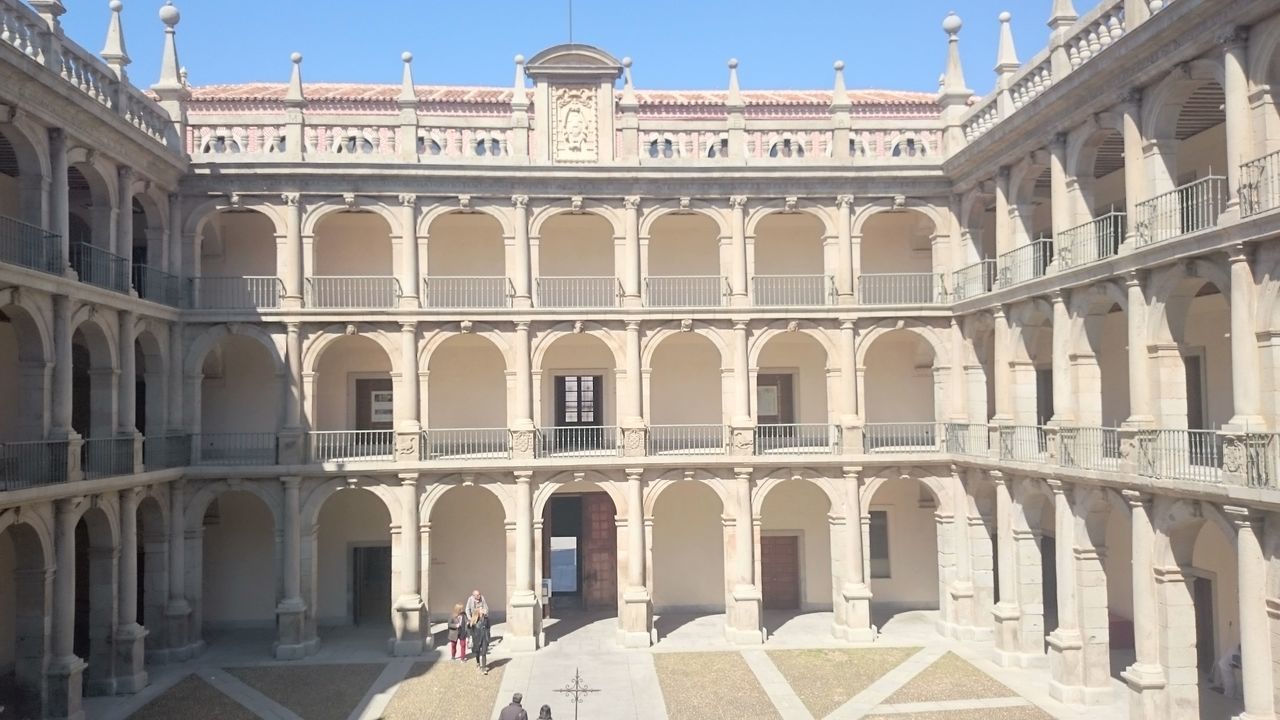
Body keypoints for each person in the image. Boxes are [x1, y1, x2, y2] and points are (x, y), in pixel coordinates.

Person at [470, 606, 492, 674]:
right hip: (477, 638)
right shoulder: (474, 620)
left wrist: (488, 635)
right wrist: (471, 638)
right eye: (481, 609)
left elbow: (488, 626)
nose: (483, 610)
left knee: (484, 653)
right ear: (478, 611)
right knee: (477, 652)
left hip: (484, 637)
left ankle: (484, 668)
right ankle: (478, 662)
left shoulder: (486, 618)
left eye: (482, 608)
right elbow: (471, 630)